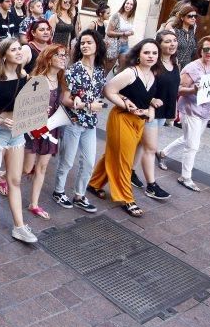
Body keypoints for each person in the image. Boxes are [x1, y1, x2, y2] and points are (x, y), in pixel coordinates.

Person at [88, 39, 161, 218]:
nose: (150, 56)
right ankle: (126, 198)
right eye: (146, 53)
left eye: (154, 53)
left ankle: (94, 184)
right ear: (138, 55)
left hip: (139, 121)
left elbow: (148, 96)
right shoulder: (130, 73)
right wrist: (125, 104)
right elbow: (108, 90)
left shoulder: (153, 74)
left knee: (114, 154)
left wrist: (151, 107)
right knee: (124, 160)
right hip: (122, 119)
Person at [158, 35, 210, 192]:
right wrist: (193, 89)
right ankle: (185, 177)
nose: (209, 52)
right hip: (191, 110)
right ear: (200, 50)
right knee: (193, 145)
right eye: (206, 49)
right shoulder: (192, 68)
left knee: (187, 138)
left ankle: (163, 153)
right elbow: (178, 89)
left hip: (206, 111)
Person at [0, 38, 37, 243]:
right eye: (13, 49)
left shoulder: (24, 76)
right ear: (4, 54)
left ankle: (19, 227)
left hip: (17, 133)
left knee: (14, 180)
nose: (18, 52)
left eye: (19, 49)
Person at [52, 29, 107, 213]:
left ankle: (79, 194)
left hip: (90, 124)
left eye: (89, 42)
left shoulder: (100, 70)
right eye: (82, 43)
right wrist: (87, 106)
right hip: (73, 121)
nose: (84, 45)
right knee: (67, 160)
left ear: (97, 45)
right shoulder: (73, 70)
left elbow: (102, 92)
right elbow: (65, 99)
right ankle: (59, 191)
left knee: (89, 161)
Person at [131, 30, 179, 197]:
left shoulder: (175, 63)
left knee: (142, 144)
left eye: (174, 40)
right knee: (151, 148)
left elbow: (174, 89)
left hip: (163, 112)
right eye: (167, 41)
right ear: (159, 44)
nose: (172, 44)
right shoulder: (154, 66)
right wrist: (151, 103)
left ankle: (129, 171)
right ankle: (151, 186)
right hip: (149, 112)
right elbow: (145, 87)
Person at [23, 44, 67, 220]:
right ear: (49, 58)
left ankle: (34, 204)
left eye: (65, 55)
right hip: (34, 129)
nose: (64, 58)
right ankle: (4, 175)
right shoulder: (36, 79)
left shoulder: (62, 79)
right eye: (60, 55)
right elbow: (24, 106)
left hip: (51, 128)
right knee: (27, 169)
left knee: (42, 167)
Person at [107, 0, 137, 71]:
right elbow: (109, 32)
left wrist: (131, 32)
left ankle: (115, 81)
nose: (128, 6)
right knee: (106, 70)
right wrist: (123, 33)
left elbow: (130, 30)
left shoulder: (131, 17)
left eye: (131, 4)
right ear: (124, 4)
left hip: (125, 46)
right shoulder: (117, 16)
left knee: (122, 69)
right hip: (114, 45)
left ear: (134, 7)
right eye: (127, 3)